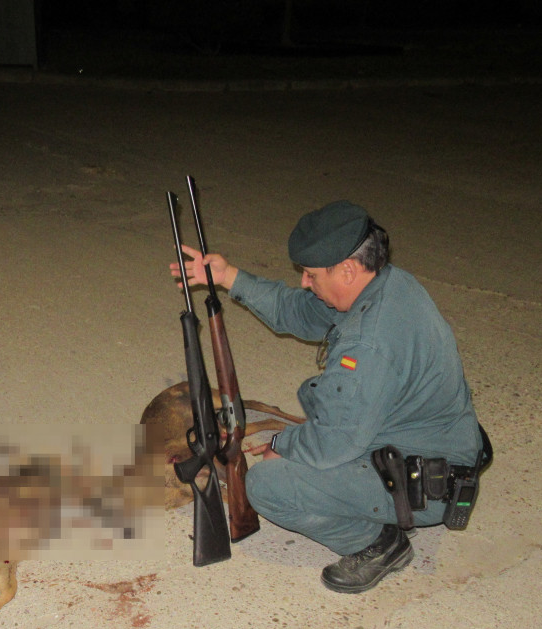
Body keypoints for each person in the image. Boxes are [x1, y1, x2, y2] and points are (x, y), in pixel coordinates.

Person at [175, 200, 484, 592]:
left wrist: (282, 444)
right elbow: (300, 313)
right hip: (420, 448)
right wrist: (228, 276)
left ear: (348, 269)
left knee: (269, 485)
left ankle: (378, 542)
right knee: (321, 430)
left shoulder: (369, 342)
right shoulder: (386, 284)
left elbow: (332, 441)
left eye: (310, 274)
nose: (305, 282)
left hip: (426, 481)